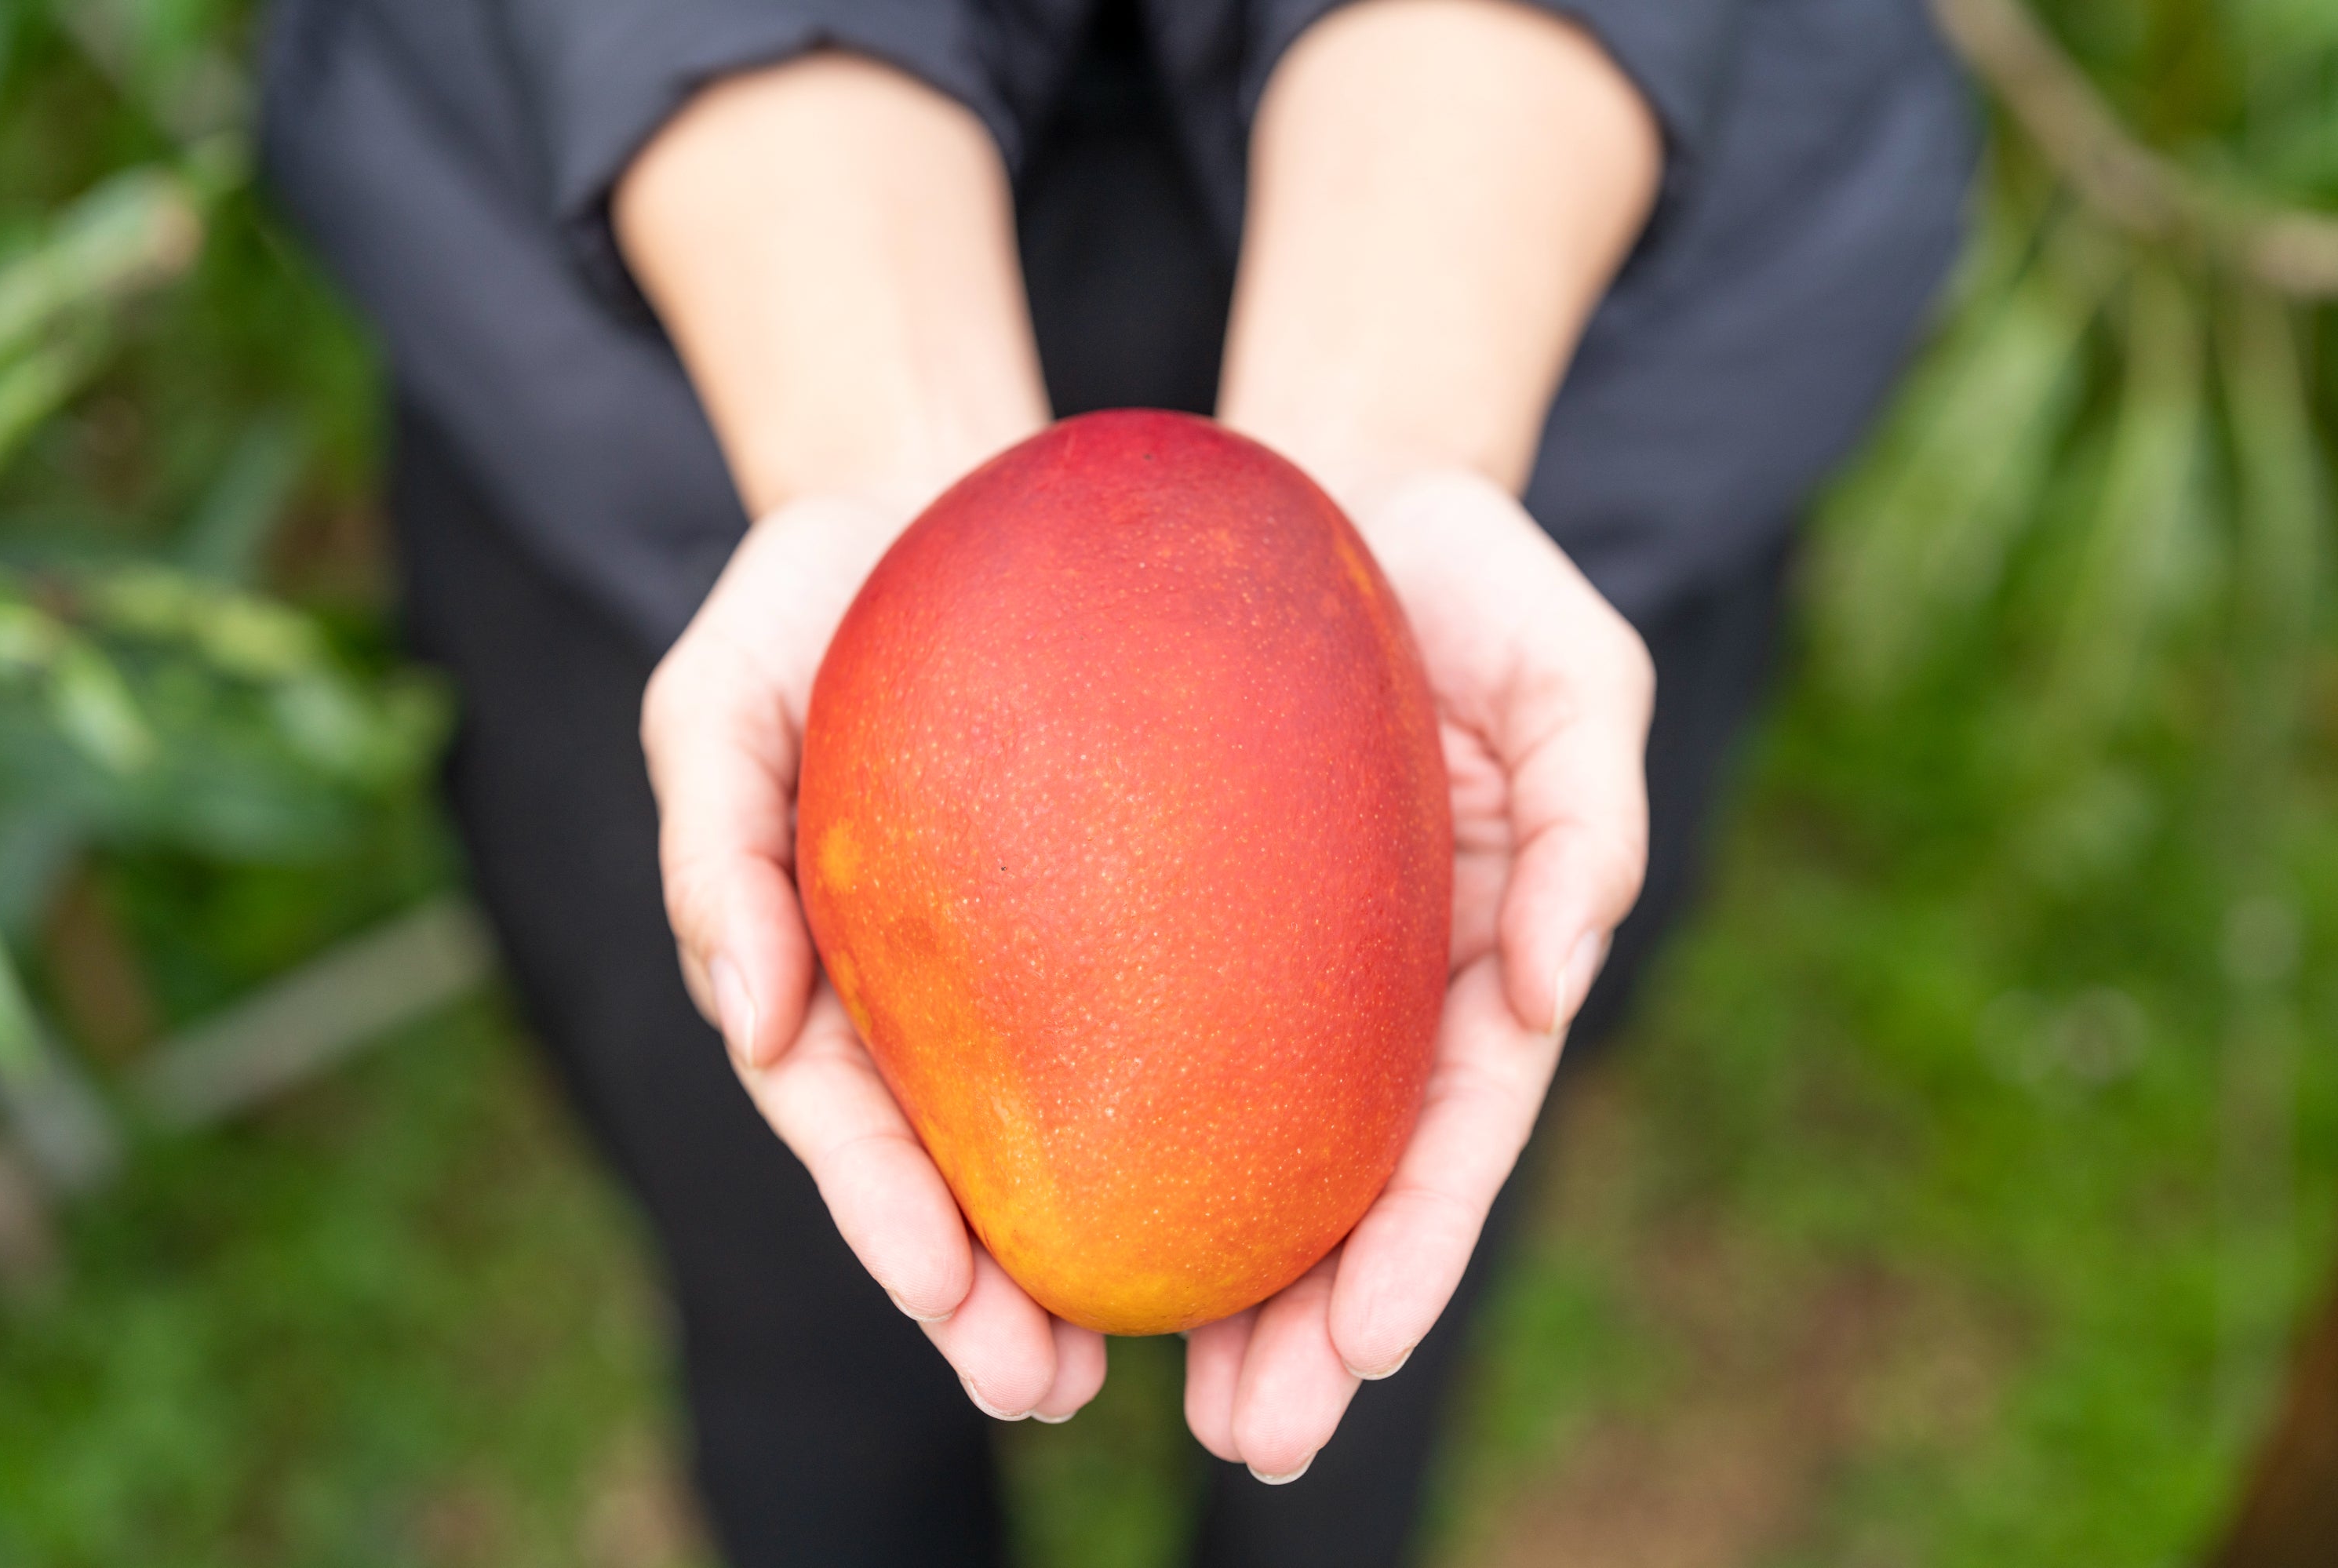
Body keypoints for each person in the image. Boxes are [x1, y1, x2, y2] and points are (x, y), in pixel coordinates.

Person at [260, 1, 1975, 1562]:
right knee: (795, 1305)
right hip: (716, 335)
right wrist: (859, 430)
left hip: (1520, 305)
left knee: (1380, 1294)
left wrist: (1409, 425)